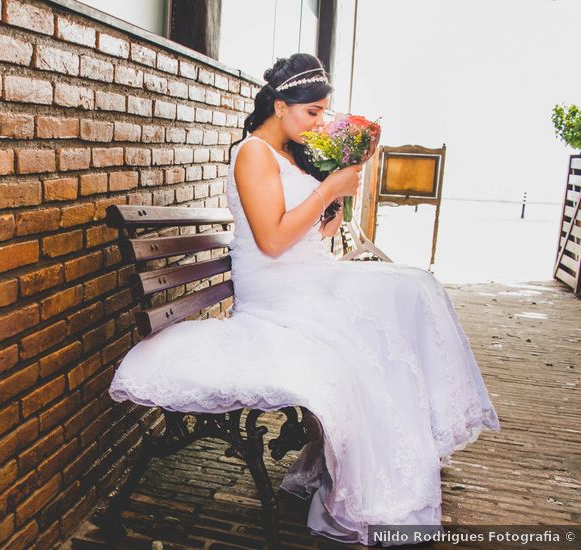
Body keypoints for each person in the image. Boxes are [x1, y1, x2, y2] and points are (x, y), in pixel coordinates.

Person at [107, 53, 501, 546]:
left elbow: (302, 233)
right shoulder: (253, 152)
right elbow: (271, 241)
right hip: (276, 293)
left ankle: (408, 444)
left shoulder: (290, 155)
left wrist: (331, 209)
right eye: (312, 111)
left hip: (305, 277)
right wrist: (328, 189)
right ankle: (376, 470)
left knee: (414, 289)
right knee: (400, 301)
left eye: (323, 112)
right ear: (279, 105)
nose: (320, 122)